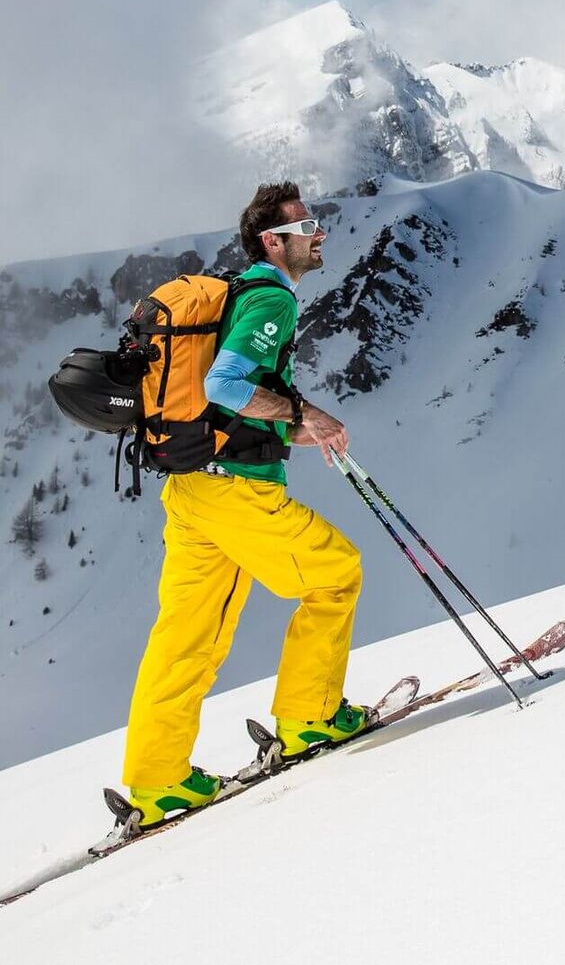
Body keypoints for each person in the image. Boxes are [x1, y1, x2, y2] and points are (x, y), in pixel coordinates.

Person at [120, 181, 369, 826]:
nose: (318, 232)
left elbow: (227, 397)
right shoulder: (270, 299)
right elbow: (225, 383)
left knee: (187, 635)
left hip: (191, 488)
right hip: (237, 490)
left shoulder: (236, 290)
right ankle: (309, 719)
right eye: (305, 223)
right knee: (336, 573)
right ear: (273, 241)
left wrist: (292, 425)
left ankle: (157, 781)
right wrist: (300, 411)